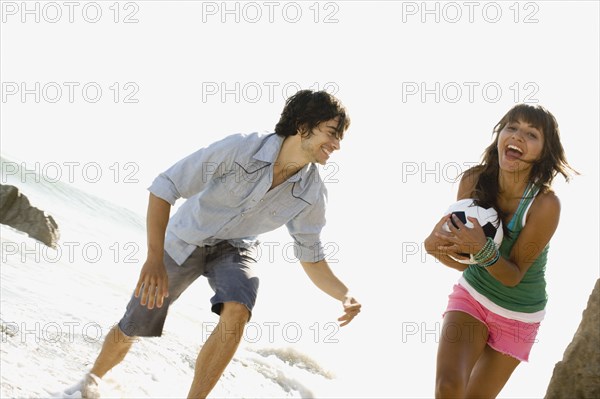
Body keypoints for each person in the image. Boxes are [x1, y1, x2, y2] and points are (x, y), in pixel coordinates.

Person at [80, 89, 362, 398]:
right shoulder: (240, 148)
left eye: (339, 138)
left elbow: (311, 255)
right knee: (134, 324)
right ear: (302, 125)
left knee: (239, 310)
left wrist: (344, 294)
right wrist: (154, 259)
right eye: (332, 133)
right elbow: (165, 186)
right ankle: (92, 379)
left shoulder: (312, 193)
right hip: (187, 238)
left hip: (236, 248)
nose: (336, 145)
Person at [424, 104, 576, 398]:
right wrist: (435, 248)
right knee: (448, 387)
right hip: (473, 297)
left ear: (544, 152)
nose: (517, 136)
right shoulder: (473, 181)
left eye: (531, 134)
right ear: (500, 135)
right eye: (512, 127)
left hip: (519, 315)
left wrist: (481, 249)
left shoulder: (545, 205)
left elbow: (512, 275)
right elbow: (467, 263)